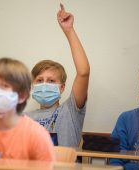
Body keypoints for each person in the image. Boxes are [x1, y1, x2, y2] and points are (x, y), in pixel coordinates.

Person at [25, 4, 90, 147]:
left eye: (51, 81)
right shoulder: (24, 119)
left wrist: (69, 30)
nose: (44, 85)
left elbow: (83, 72)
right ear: (33, 86)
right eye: (40, 80)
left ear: (62, 88)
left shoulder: (70, 111)